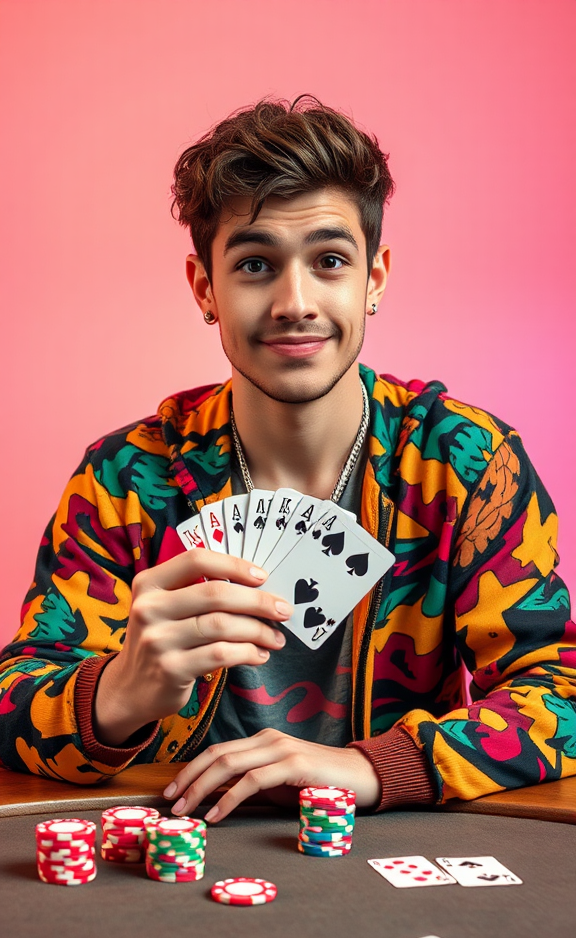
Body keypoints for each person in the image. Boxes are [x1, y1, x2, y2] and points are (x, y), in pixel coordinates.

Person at [1, 96, 575, 824]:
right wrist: (117, 695)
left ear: (374, 280)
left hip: (384, 848)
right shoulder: (124, 479)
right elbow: (16, 695)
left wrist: (370, 765)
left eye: (329, 261)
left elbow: (558, 693)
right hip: (178, 856)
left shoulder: (463, 463)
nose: (294, 302)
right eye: (255, 265)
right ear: (204, 287)